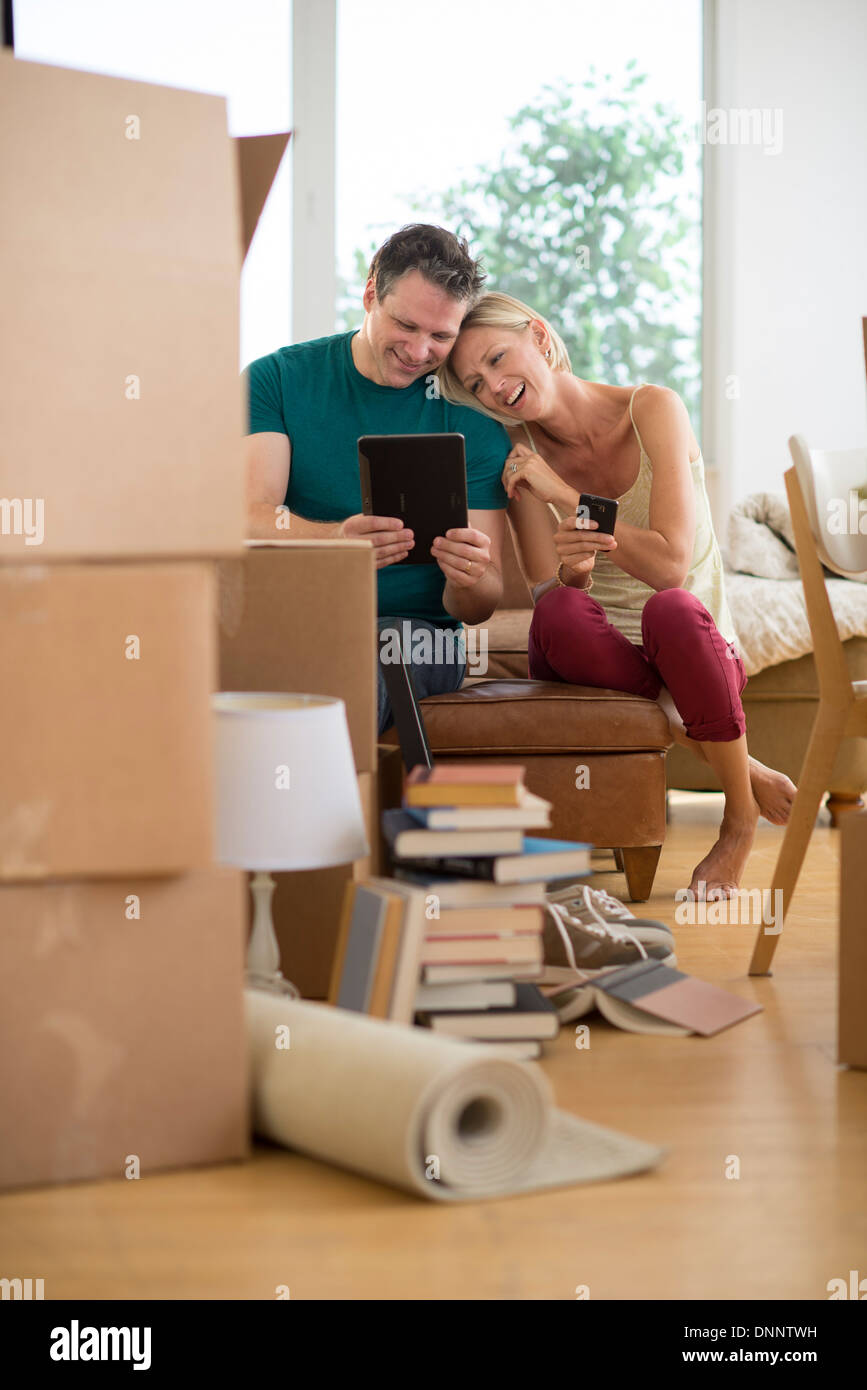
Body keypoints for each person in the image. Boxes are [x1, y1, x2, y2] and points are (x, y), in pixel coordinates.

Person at [439, 292, 796, 900]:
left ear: (540, 336)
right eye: (477, 382)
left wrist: (562, 492)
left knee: (673, 610)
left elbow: (671, 566)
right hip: (600, 661)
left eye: (499, 359)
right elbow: (550, 591)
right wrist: (575, 575)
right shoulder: (514, 456)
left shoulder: (652, 408)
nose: (495, 387)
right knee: (559, 610)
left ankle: (737, 823)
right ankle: (747, 769)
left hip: (688, 644)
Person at [242, 225, 509, 733]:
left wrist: (469, 576)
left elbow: (478, 607)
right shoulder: (276, 380)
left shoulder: (469, 418)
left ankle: (330, 810)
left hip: (420, 635)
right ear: (370, 295)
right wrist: (333, 541)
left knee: (368, 658)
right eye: (405, 325)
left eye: (441, 336)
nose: (418, 351)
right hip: (296, 620)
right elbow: (247, 518)